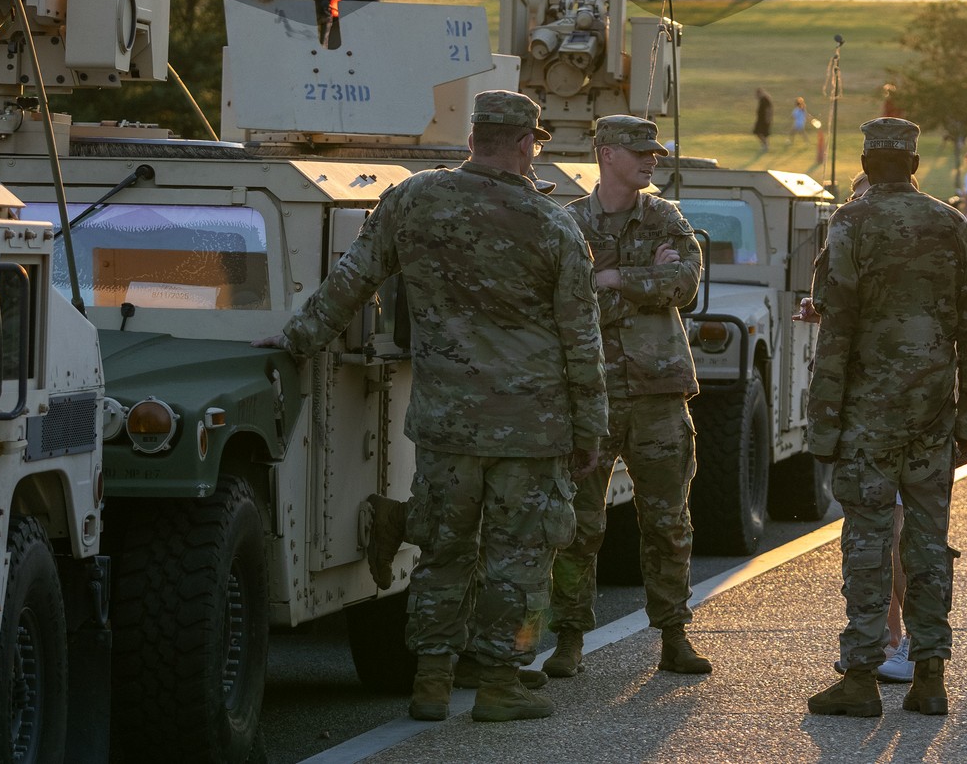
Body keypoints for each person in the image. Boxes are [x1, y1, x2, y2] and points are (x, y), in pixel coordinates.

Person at [253, 90, 605, 723]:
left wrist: (295, 338)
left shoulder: (413, 198)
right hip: (532, 427)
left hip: (446, 418)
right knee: (517, 559)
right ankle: (499, 685)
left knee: (444, 551)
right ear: (526, 143)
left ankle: (431, 684)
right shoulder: (555, 226)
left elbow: (351, 280)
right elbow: (582, 340)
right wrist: (590, 430)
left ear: (474, 137)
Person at [805, 118, 967, 719]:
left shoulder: (851, 223)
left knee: (867, 540)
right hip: (933, 411)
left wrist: (823, 422)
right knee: (928, 543)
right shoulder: (951, 224)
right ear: (913, 165)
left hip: (867, 413)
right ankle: (930, 675)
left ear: (865, 160)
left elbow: (836, 329)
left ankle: (860, 675)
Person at [546, 115, 710, 680]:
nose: (652, 160)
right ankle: (568, 637)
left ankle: (673, 634)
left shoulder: (666, 217)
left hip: (659, 395)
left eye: (655, 153)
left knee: (667, 521)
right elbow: (564, 303)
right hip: (590, 395)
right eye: (640, 152)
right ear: (607, 153)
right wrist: (643, 279)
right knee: (578, 525)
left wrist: (612, 280)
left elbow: (685, 286)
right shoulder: (568, 224)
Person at [752, 88, 773, 157]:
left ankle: (765, 145)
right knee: (760, 133)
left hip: (764, 120)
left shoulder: (765, 99)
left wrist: (768, 118)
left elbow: (768, 109)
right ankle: (764, 145)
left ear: (760, 93)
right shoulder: (762, 100)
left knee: (759, 132)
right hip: (761, 119)